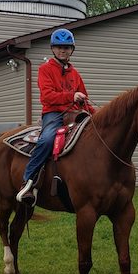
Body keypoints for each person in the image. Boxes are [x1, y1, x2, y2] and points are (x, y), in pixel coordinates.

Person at [16, 28, 94, 205]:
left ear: (72, 49)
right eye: (59, 47)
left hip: (75, 114)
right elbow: (47, 96)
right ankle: (27, 181)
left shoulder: (75, 74)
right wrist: (70, 97)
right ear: (53, 48)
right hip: (53, 114)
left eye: (66, 47)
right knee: (47, 140)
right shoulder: (45, 69)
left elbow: (85, 100)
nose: (63, 50)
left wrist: (98, 115)